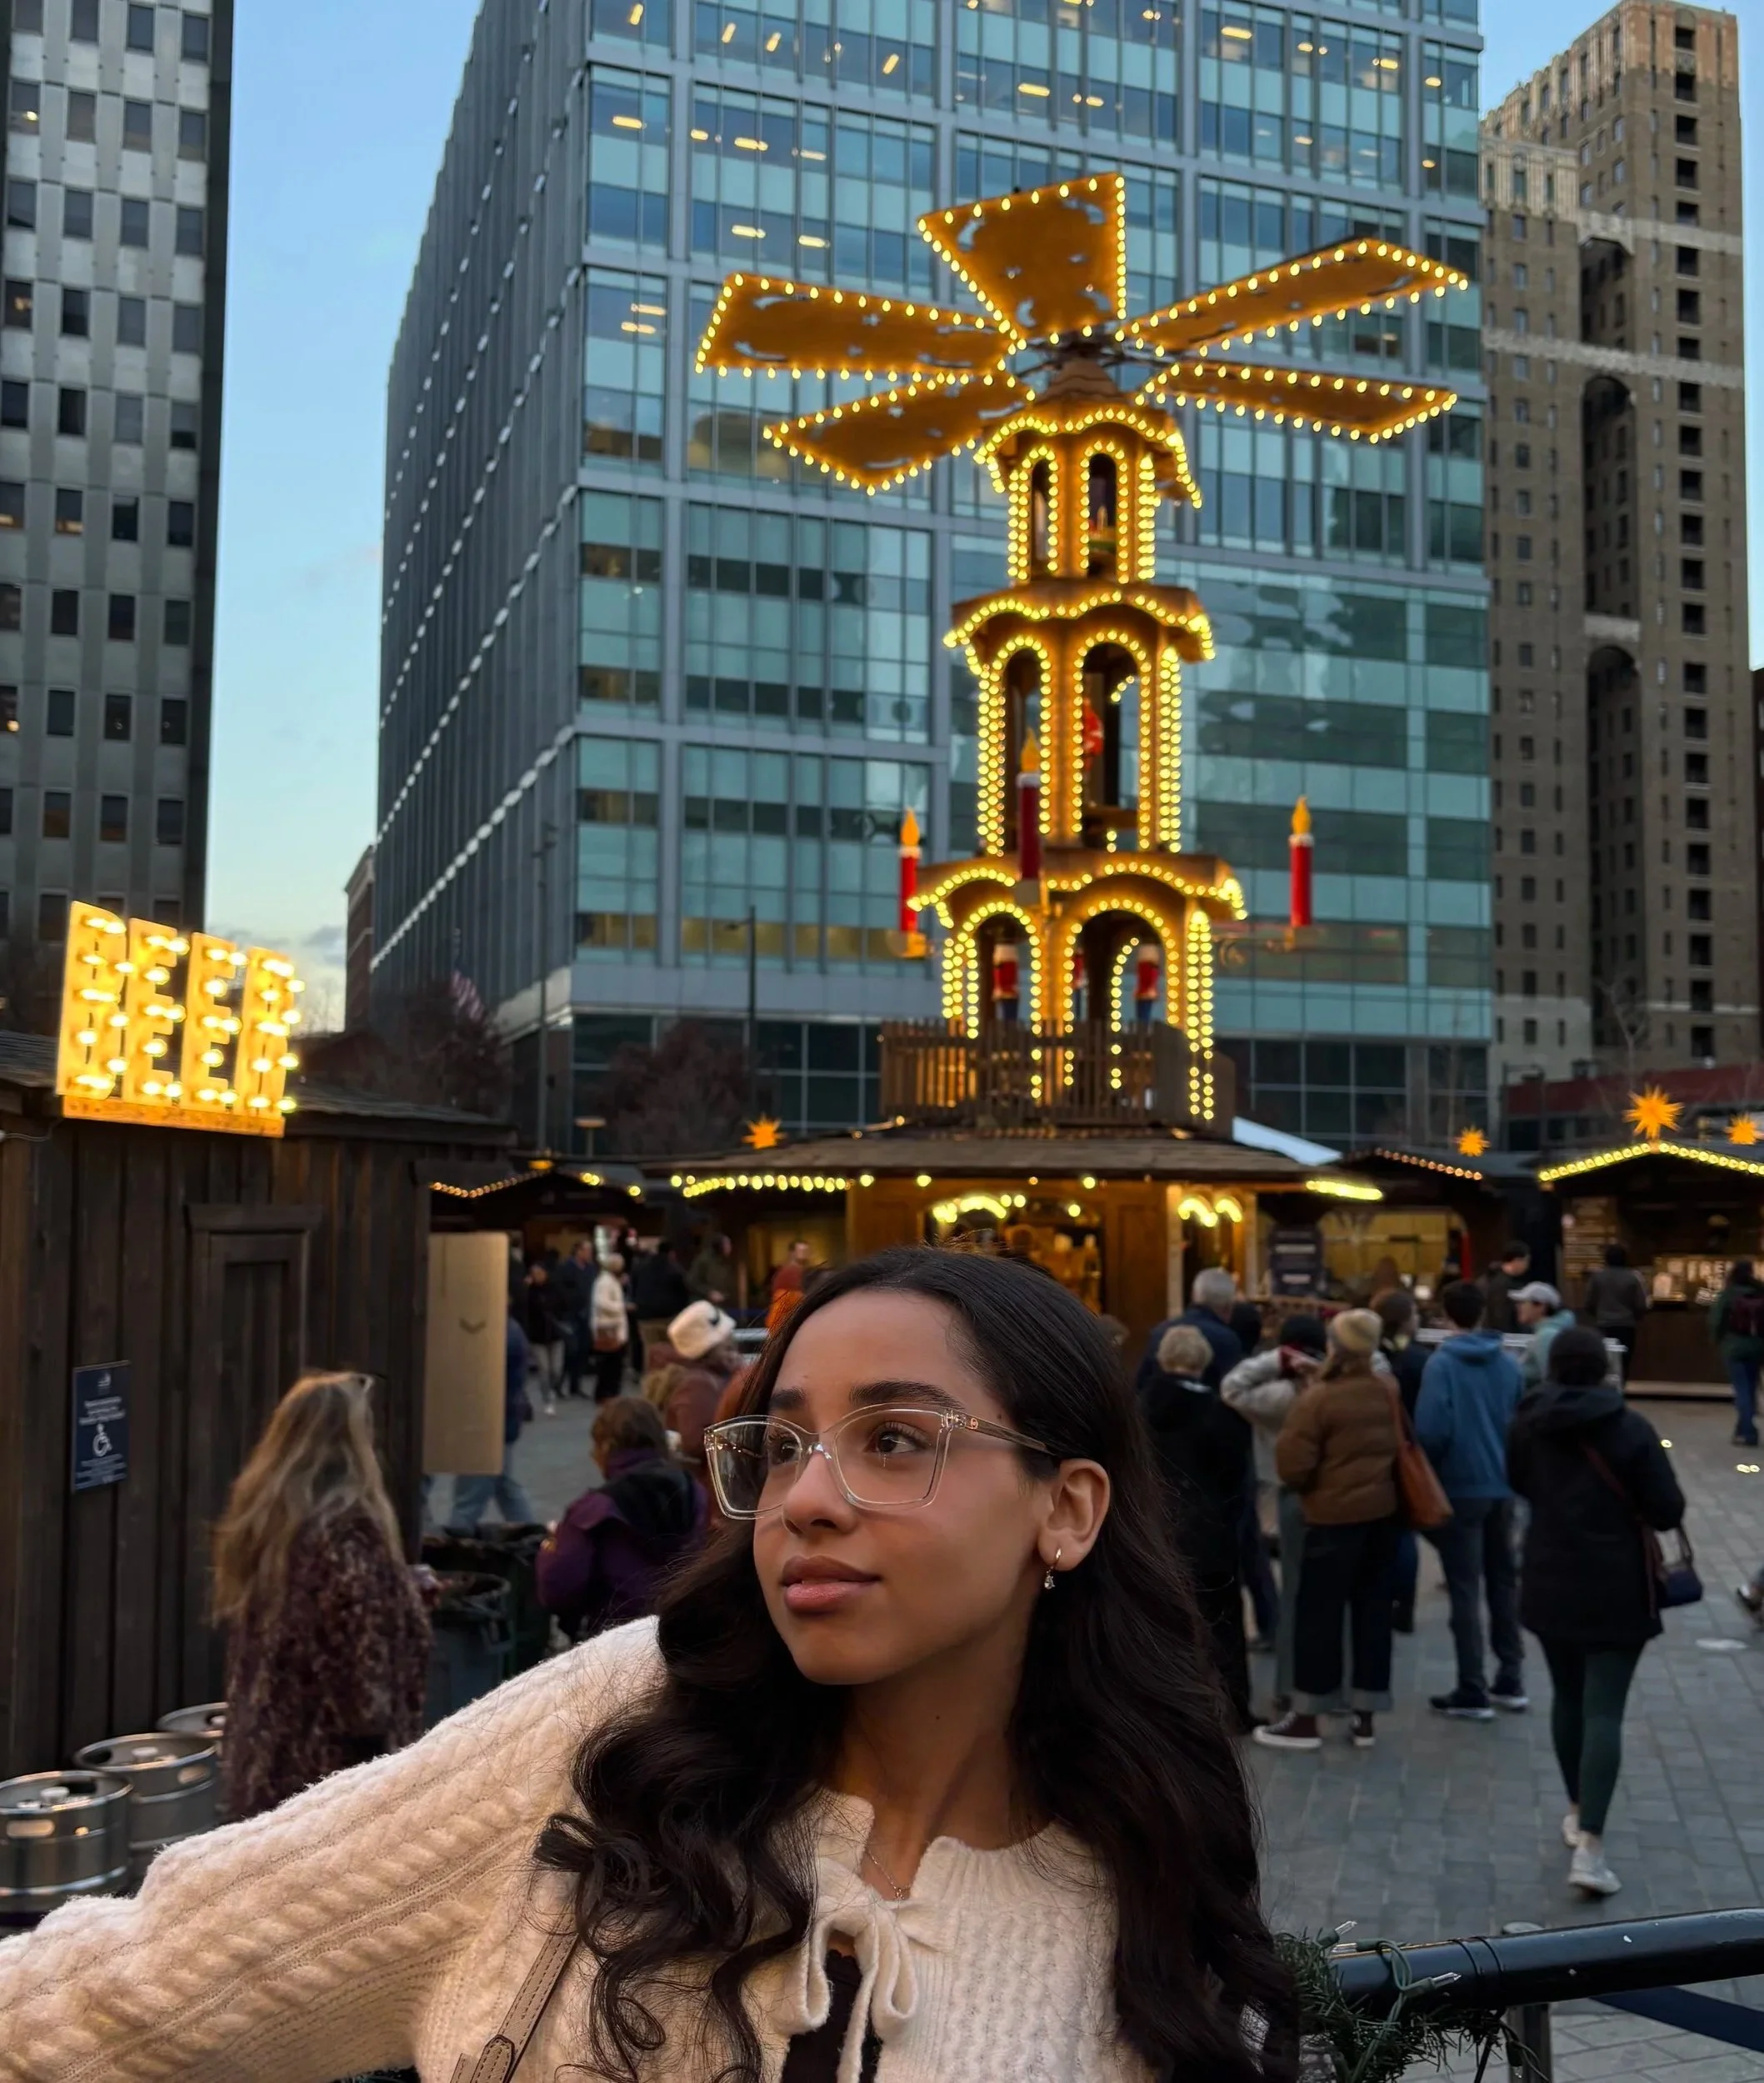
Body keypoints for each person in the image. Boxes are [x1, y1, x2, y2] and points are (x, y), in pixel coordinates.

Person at [0, 1246, 1299, 2083]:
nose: (809, 1500)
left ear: (1065, 1508)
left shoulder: (1139, 1926)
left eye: (895, 1440)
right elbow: (145, 1987)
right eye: (781, 1450)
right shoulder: (616, 1734)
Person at [1508, 1326, 1686, 1899]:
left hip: (1548, 1575)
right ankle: (1591, 1843)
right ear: (1602, 1369)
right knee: (1603, 1708)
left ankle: (1576, 1808)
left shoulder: (1528, 1423)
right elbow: (1666, 1510)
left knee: (1566, 1696)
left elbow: (1518, 1483)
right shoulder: (1629, 1428)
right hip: (1616, 1584)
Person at [207, 1371, 431, 1822]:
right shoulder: (348, 1539)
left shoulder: (273, 1527)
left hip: (263, 1769)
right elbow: (366, 1703)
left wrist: (398, 1588)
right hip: (332, 1792)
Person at [1257, 1309, 1401, 1751]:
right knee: (1373, 1613)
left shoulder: (1320, 1398)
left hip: (1331, 1517)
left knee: (1317, 1616)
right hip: (1380, 1515)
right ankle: (1365, 1717)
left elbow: (1293, 1465)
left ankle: (1307, 1716)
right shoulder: (1386, 1388)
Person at [1414, 1280, 1527, 1720]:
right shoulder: (1508, 1364)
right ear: (1482, 1313)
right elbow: (1520, 1422)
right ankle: (1511, 1676)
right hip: (1502, 1484)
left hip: (1460, 1488)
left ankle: (1472, 1685)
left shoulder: (1441, 1365)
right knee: (1503, 1582)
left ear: (1446, 1314)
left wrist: (1437, 1469)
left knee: (1465, 1587)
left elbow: (1431, 1429)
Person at [1138, 1322, 1255, 1730]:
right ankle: (1232, 1706)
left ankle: (1164, 1710)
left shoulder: (1139, 1409)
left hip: (1155, 1528)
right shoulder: (1220, 1414)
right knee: (1221, 1620)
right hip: (1209, 1530)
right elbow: (1236, 1478)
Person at [1222, 1313, 1328, 1718]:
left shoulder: (1277, 1398)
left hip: (1287, 1490)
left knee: (1297, 1593)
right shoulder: (1340, 1388)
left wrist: (1276, 1360)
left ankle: (1290, 1688)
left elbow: (1233, 1386)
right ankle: (1337, 1686)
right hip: (1338, 1494)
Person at [537, 1397, 708, 1639]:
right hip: (683, 1633)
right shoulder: (695, 1492)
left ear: (605, 1448)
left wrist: (549, 1548)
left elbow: (558, 1588)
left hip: (614, 1641)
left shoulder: (592, 1511)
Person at [452, 1314, 539, 1529]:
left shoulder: (500, 1333)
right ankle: (532, 1536)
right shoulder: (509, 1329)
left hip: (488, 1423)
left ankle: (456, 1538)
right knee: (504, 1486)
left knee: (469, 1499)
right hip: (501, 1420)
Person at [1373, 1289, 1428, 1635]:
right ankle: (1404, 1605)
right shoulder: (1419, 1359)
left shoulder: (1373, 1359)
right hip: (1408, 1448)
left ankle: (1381, 1599)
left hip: (1377, 1449)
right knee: (1406, 1532)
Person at [1137, 1265, 1245, 1394]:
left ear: (1194, 1295)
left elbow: (1141, 1385)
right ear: (1229, 1306)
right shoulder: (1228, 1341)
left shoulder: (1160, 1332)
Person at [1709, 1257, 1764, 1448]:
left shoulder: (1729, 1293)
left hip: (1734, 1347)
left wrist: (1717, 1341)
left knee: (1741, 1390)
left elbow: (1717, 1321)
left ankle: (1748, 1432)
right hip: (1758, 1347)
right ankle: (1742, 1429)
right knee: (1750, 1387)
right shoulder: (1760, 1291)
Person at [1583, 1243, 1649, 1384]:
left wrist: (1598, 1315)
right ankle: (1621, 1386)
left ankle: (1606, 1388)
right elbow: (1641, 1304)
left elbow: (1588, 1303)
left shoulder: (1597, 1278)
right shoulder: (1633, 1278)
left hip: (1603, 1324)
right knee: (1624, 1361)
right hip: (1626, 1325)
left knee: (1604, 1360)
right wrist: (1635, 1317)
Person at [630, 1237, 692, 1369]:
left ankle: (652, 1383)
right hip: (668, 1317)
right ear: (671, 1253)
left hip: (645, 1317)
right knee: (671, 1352)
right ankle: (668, 1382)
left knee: (650, 1352)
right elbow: (684, 1294)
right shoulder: (675, 1269)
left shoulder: (642, 1267)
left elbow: (634, 1287)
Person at [550, 1236, 599, 1398]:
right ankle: (559, 1383)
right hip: (570, 1314)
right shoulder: (565, 1268)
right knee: (571, 1350)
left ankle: (575, 1385)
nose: (589, 1254)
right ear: (578, 1251)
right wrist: (569, 1303)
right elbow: (559, 1289)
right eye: (586, 1251)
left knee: (583, 1350)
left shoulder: (591, 1268)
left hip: (587, 1313)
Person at [521, 1259, 566, 1415]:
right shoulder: (529, 1291)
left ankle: (553, 1388)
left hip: (555, 1334)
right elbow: (523, 1310)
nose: (537, 1276)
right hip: (537, 1337)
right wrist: (525, 1288)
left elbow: (562, 1305)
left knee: (557, 1369)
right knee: (544, 1369)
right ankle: (547, 1399)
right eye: (534, 1274)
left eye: (540, 1273)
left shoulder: (554, 1288)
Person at [1513, 1281, 1577, 1391]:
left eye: (1523, 1302)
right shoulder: (1548, 1333)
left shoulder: (1546, 1336)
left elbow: (1551, 1382)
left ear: (1540, 1306)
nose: (1518, 1307)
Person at [590, 1251, 631, 1403]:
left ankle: (611, 1393)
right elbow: (602, 1303)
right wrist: (621, 1307)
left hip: (613, 1328)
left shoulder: (610, 1281)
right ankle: (606, 1394)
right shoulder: (605, 1282)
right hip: (609, 1328)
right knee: (609, 1366)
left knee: (614, 1365)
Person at [1479, 1243, 1531, 1333]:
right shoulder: (1503, 1284)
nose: (1527, 1265)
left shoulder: (1488, 1278)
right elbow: (1499, 1315)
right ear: (1517, 1261)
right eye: (1526, 1261)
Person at [687, 1227, 737, 1306]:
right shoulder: (704, 1260)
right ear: (720, 1245)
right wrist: (709, 1293)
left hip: (718, 1305)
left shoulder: (724, 1263)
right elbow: (691, 1282)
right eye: (727, 1244)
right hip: (702, 1305)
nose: (730, 1247)